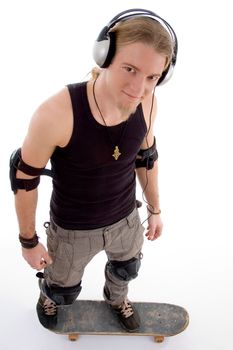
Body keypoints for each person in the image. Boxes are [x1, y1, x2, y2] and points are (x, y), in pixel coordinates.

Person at [10, 9, 177, 332]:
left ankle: (116, 299)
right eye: (130, 69)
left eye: (152, 77)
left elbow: (146, 158)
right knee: (62, 289)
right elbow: (24, 178)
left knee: (126, 269)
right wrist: (28, 241)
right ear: (105, 55)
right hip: (73, 231)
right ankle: (50, 297)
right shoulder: (56, 114)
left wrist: (155, 210)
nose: (139, 87)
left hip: (126, 219)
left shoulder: (148, 102)